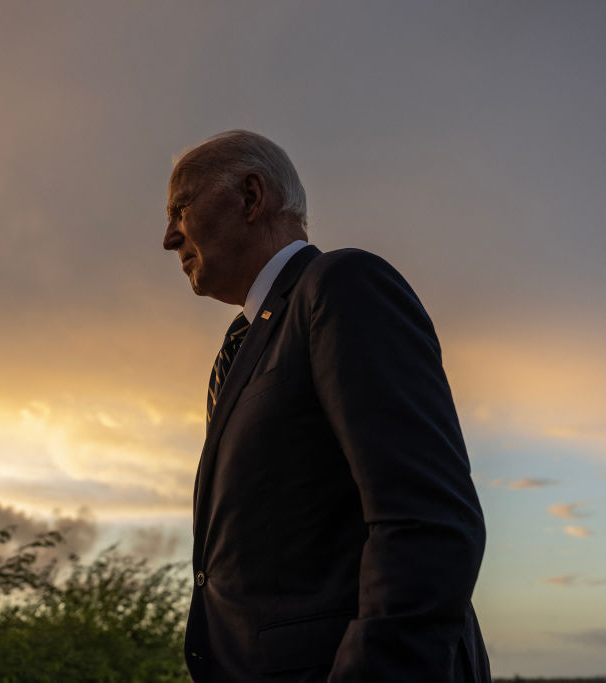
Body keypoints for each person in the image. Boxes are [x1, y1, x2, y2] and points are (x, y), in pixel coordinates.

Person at [162, 130, 491, 682]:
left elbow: (427, 524)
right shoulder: (241, 345)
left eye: (181, 208)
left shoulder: (342, 287)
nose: (170, 238)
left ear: (250, 196)